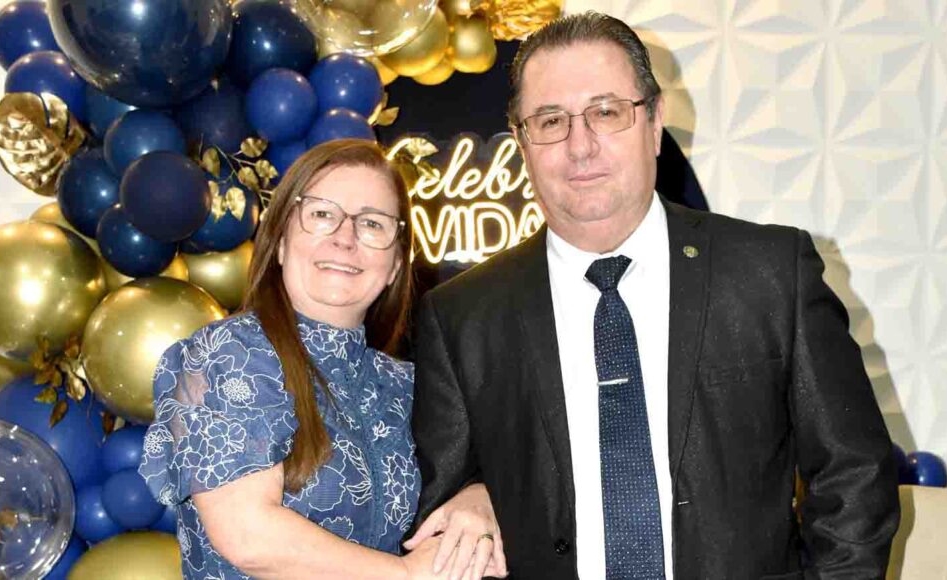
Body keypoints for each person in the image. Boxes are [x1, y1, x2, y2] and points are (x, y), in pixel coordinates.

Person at [409, 12, 900, 579]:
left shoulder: (769, 273)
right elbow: (445, 503)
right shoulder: (461, 316)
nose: (580, 146)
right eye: (550, 120)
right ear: (520, 141)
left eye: (606, 112)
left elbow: (854, 473)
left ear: (655, 119)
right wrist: (475, 492)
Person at [139, 139, 506, 579]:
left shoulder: (404, 384)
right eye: (321, 215)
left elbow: (481, 474)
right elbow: (248, 536)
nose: (344, 238)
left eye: (372, 223)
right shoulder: (228, 353)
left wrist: (480, 498)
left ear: (395, 264)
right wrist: (406, 575)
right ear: (279, 242)